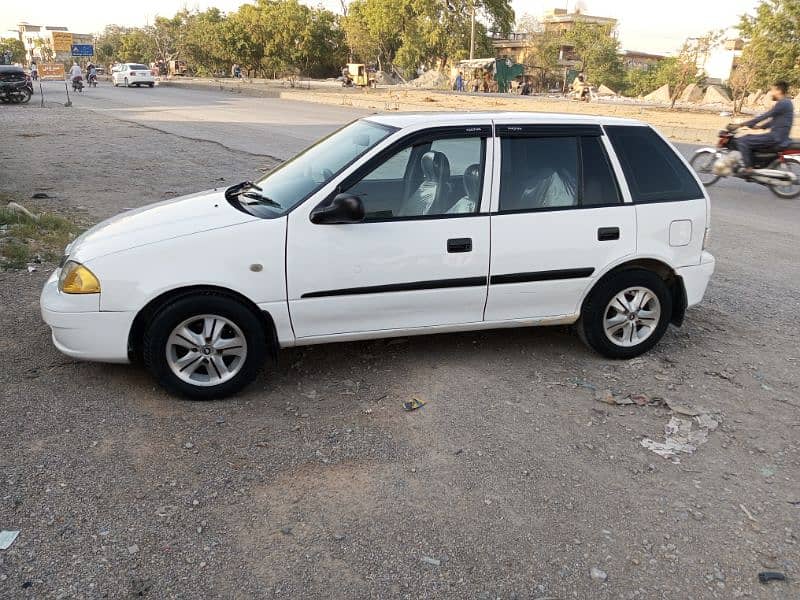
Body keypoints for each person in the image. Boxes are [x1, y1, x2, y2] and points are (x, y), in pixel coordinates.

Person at [732, 80, 794, 174]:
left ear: (779, 91)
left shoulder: (783, 103)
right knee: (748, 137)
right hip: (779, 136)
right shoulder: (786, 103)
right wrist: (759, 127)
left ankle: (749, 168)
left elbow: (766, 115)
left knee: (742, 140)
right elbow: (775, 121)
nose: (771, 93)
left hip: (775, 137)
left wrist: (743, 124)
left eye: (773, 90)